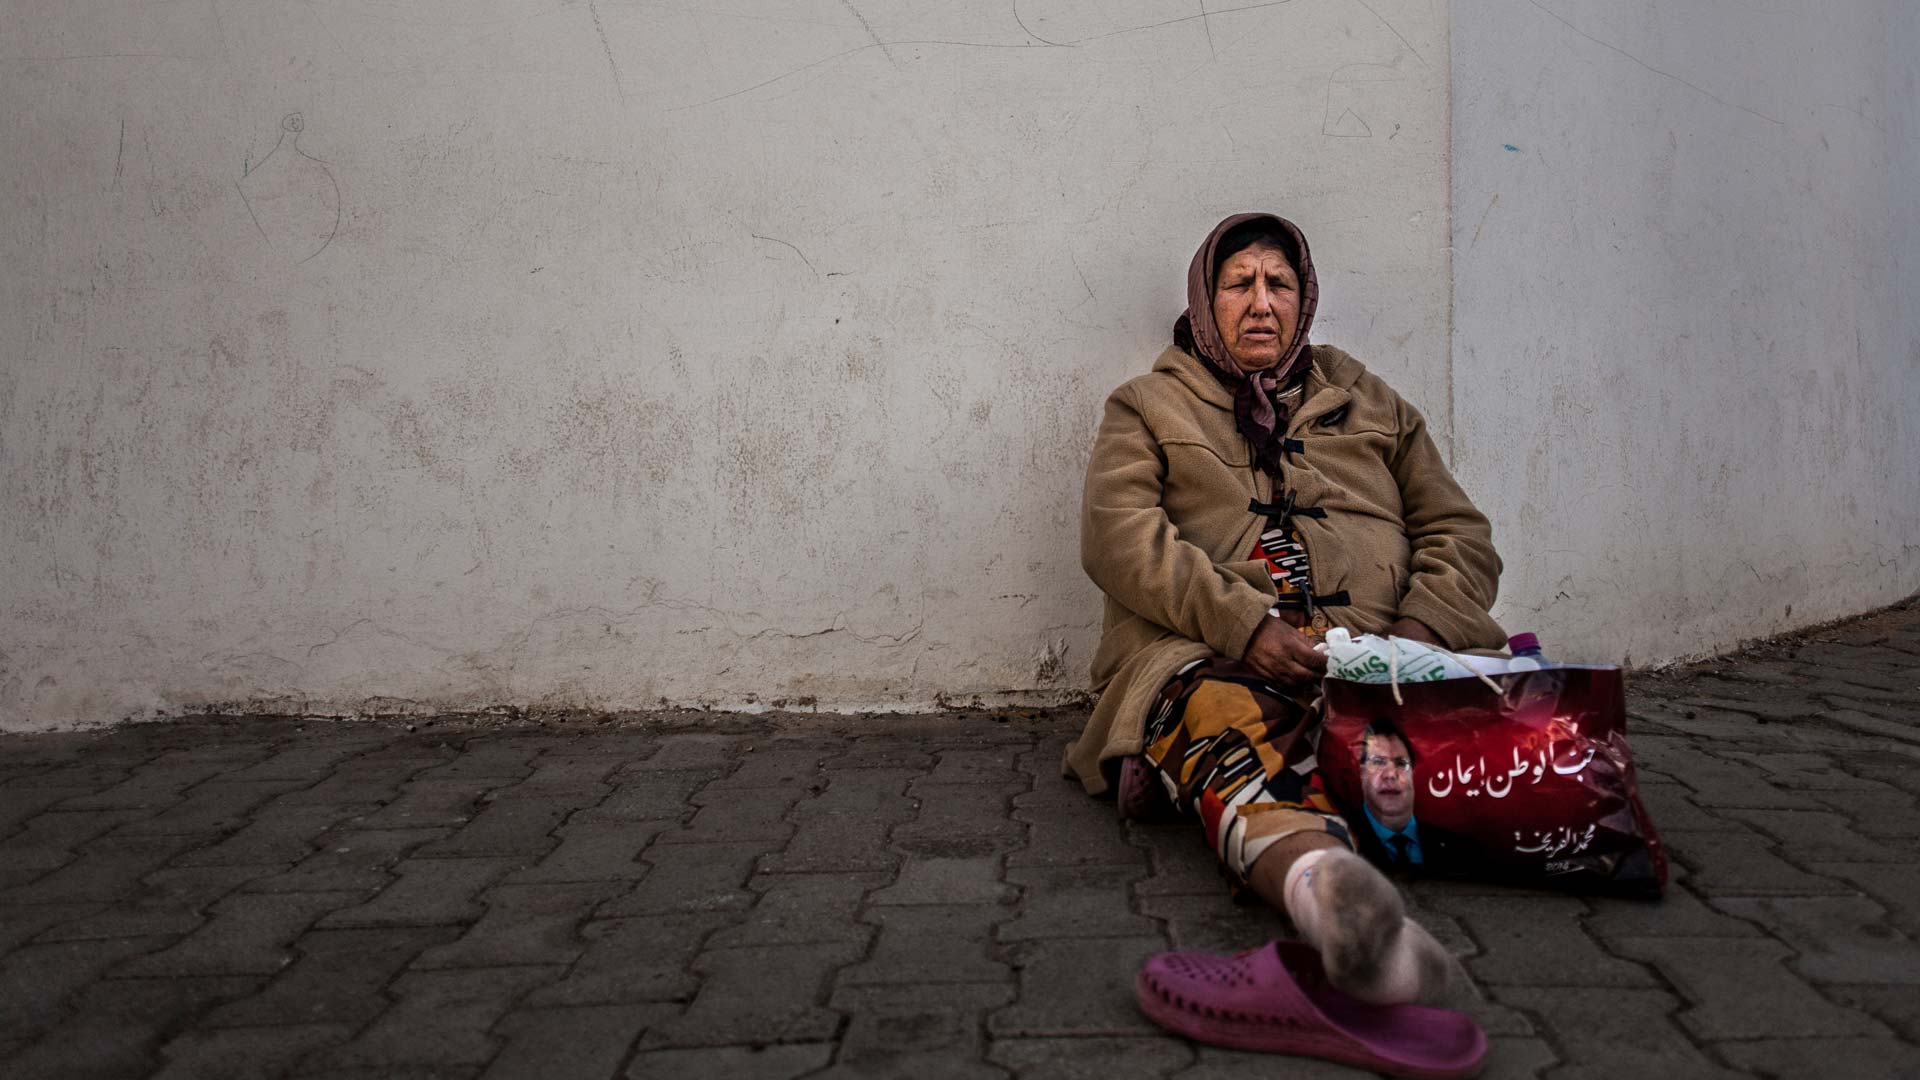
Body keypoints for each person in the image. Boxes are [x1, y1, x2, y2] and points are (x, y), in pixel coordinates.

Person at [1066, 212, 1506, 1006]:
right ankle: (1327, 894)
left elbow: (1459, 531)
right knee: (1228, 718)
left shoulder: (1370, 401)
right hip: (1217, 655)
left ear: (1305, 301)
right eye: (1240, 285)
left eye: (1280, 284)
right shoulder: (1147, 407)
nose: (1261, 303)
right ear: (1206, 301)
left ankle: (1178, 773)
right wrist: (1244, 625)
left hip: (1380, 655)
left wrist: (1414, 638)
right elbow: (1119, 539)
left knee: (1485, 730)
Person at [1350, 719, 1483, 876]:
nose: (1391, 774)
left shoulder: (1462, 849)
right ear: (1362, 773)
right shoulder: (1339, 843)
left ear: (1413, 773)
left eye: (1401, 763)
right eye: (1378, 762)